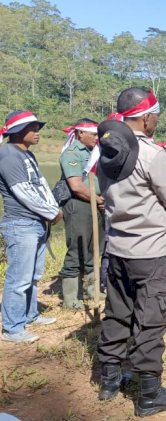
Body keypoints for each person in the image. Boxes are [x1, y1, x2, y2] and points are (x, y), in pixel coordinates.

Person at [95, 88, 166, 417]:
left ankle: (109, 380)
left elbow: (103, 193)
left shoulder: (105, 149)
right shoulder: (151, 154)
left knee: (118, 312)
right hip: (150, 251)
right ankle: (149, 395)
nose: (156, 122)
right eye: (156, 117)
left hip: (118, 246)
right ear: (147, 117)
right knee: (151, 319)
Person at [0, 111, 60, 343]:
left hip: (35, 221)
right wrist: (52, 212)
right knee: (19, 278)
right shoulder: (8, 155)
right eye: (32, 128)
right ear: (18, 132)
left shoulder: (27, 155)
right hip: (20, 223)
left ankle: (30, 314)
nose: (38, 133)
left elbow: (41, 186)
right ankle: (13, 328)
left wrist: (52, 208)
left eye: (37, 127)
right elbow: (23, 192)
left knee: (34, 275)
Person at [58, 118, 105, 310]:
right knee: (77, 248)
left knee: (95, 249)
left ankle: (91, 290)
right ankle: (70, 298)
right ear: (80, 134)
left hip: (96, 204)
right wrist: (99, 200)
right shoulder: (72, 153)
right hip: (79, 204)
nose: (96, 138)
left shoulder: (96, 153)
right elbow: (76, 186)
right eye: (93, 134)